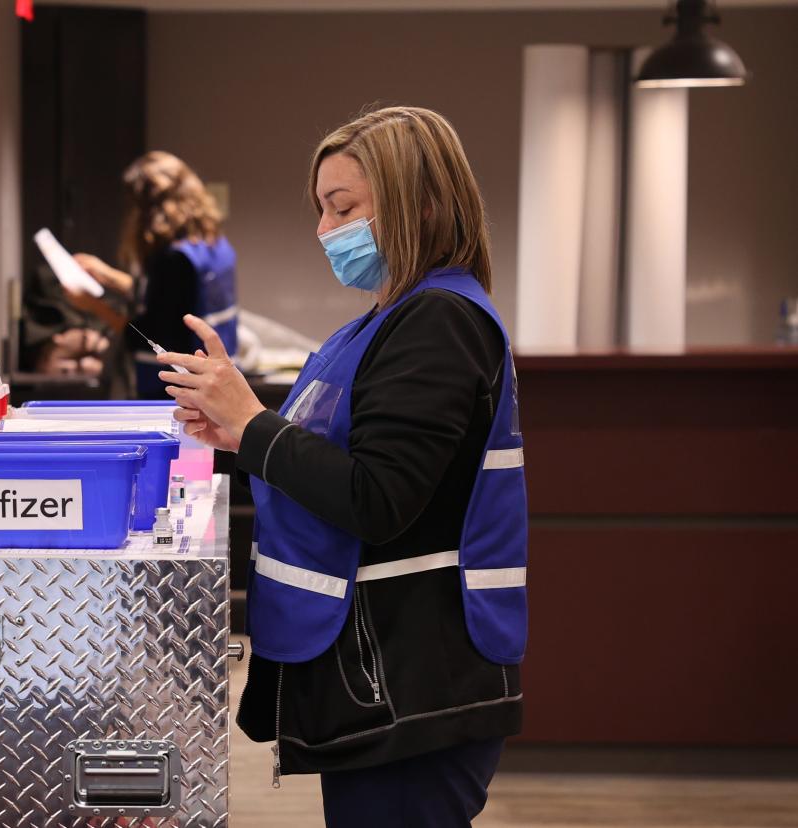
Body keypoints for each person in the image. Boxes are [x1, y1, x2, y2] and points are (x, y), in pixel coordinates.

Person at [156, 106, 527, 827]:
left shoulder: (439, 323)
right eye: (322, 209)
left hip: (414, 683)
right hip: (381, 679)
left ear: (421, 204)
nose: (326, 230)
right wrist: (241, 434)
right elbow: (341, 458)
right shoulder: (387, 320)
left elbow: (377, 496)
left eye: (344, 208)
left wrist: (254, 422)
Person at [68, 151, 238, 398]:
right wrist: (106, 275)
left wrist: (92, 305)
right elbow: (172, 299)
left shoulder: (174, 259)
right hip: (215, 381)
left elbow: (148, 336)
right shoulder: (213, 245)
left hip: (176, 390)